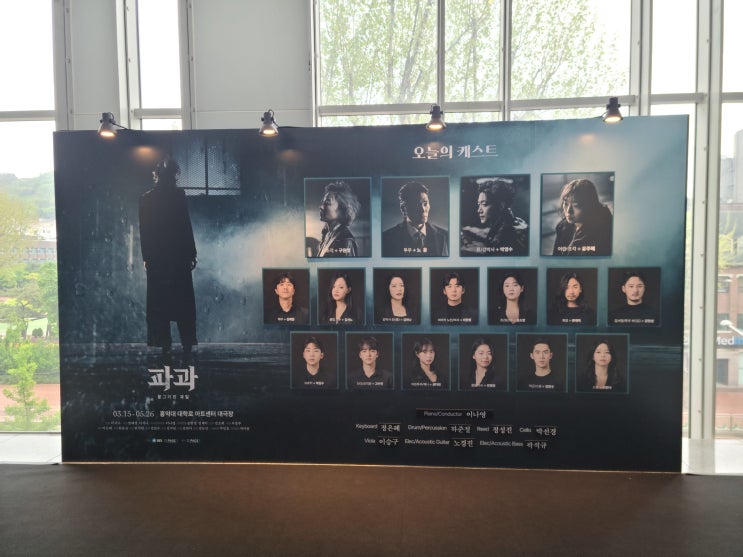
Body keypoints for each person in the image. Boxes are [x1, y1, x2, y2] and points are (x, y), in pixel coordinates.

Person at [138, 158, 197, 361]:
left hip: (158, 256)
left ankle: (164, 344)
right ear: (174, 175)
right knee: (183, 301)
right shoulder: (178, 196)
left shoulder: (146, 199)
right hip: (177, 255)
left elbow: (144, 231)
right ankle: (186, 343)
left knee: (160, 302)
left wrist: (147, 256)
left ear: (156, 175)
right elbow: (185, 226)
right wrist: (191, 253)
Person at [461, 179, 528, 255]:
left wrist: (484, 251)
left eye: (484, 204)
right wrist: (468, 229)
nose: (479, 210)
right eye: (479, 204)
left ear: (501, 206)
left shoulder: (512, 233)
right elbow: (487, 232)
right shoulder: (506, 220)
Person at [382, 181, 448, 256]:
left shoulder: (445, 236)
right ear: (403, 208)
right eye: (416, 204)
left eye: (425, 203)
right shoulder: (386, 238)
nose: (423, 209)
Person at [552, 179, 613, 256]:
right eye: (566, 203)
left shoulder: (603, 234)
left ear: (590, 206)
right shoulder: (562, 227)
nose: (568, 211)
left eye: (576, 205)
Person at [314, 180, 360, 257]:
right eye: (322, 202)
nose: (321, 207)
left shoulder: (346, 240)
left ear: (342, 210)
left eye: (327, 203)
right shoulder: (327, 234)